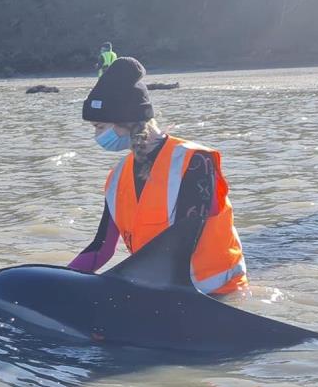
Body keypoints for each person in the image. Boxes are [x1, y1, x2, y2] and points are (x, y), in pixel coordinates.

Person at [68, 57, 247, 295]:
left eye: (99, 127)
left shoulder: (195, 161)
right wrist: (60, 281)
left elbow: (181, 245)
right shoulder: (116, 177)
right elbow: (101, 249)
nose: (97, 136)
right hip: (162, 292)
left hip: (218, 295)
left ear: (127, 121)